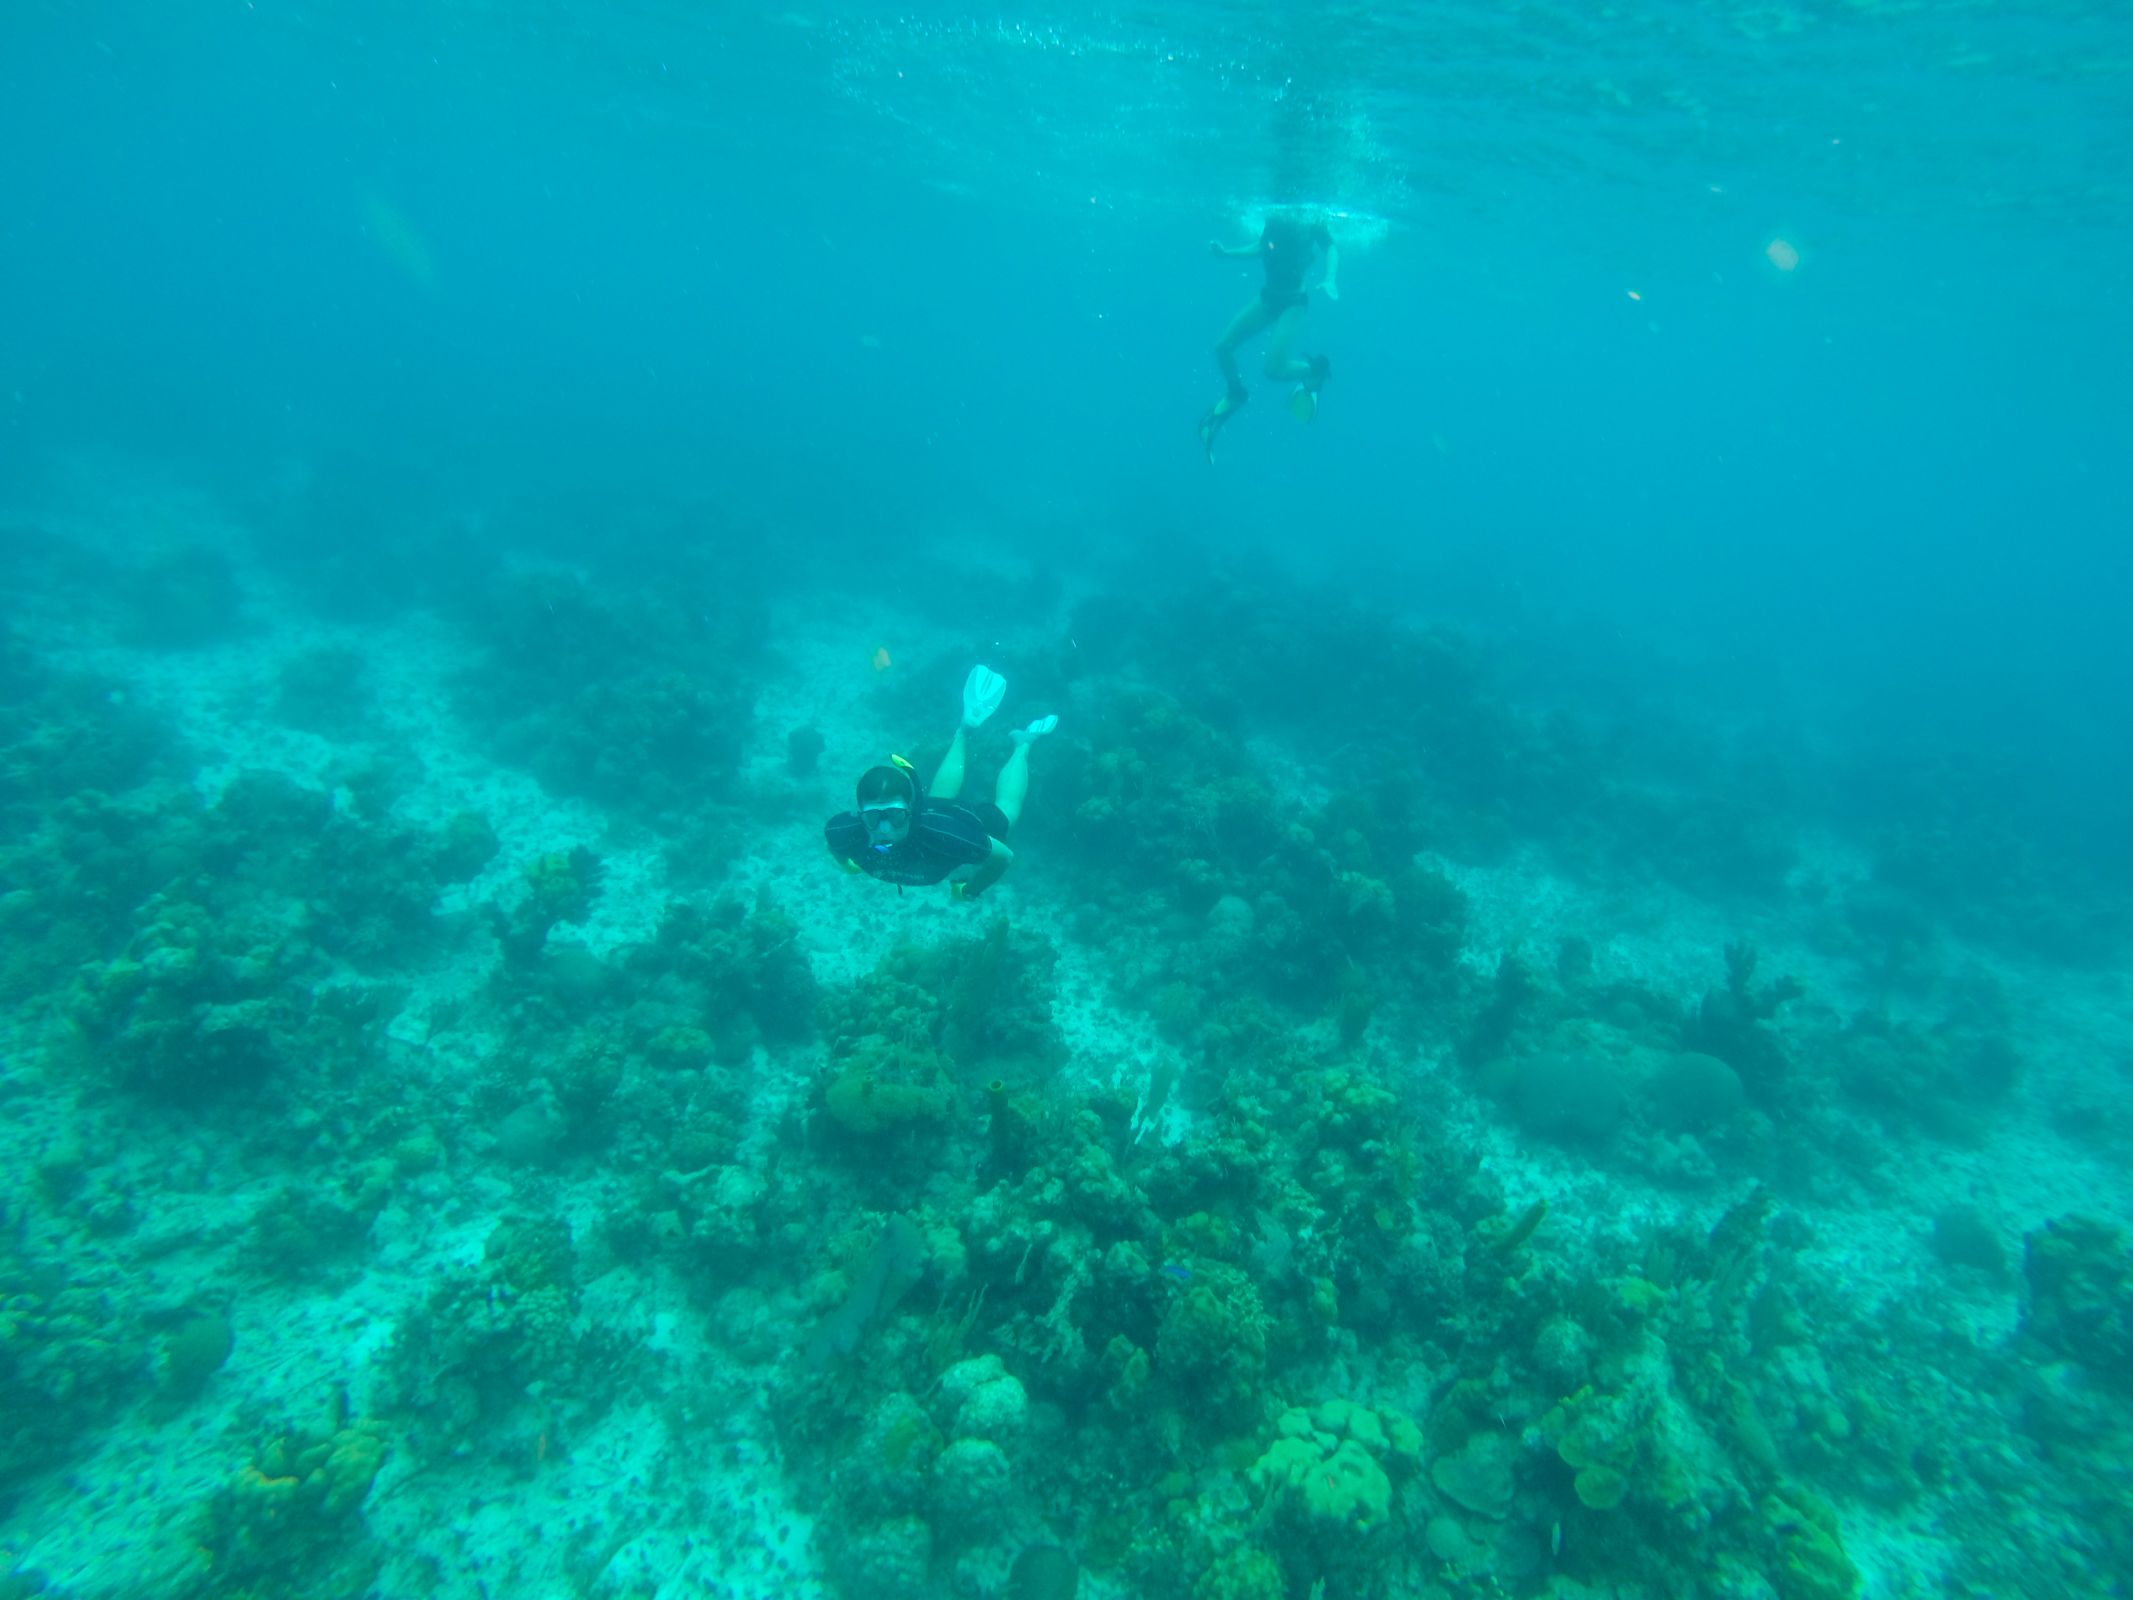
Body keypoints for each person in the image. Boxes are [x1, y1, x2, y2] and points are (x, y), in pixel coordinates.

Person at [825, 666, 1058, 900]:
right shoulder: (842, 832)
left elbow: (1004, 857)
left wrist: (972, 889)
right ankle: (964, 729)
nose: (885, 829)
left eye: (895, 816)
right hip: (931, 820)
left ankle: (1023, 743)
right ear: (859, 815)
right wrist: (848, 865)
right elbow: (836, 845)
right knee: (939, 799)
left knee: (1006, 814)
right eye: (873, 817)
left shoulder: (950, 836)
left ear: (910, 809)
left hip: (947, 826)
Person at [1198, 210, 1339, 461]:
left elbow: (1331, 248)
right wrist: (1226, 253)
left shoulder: (1312, 218)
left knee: (1274, 371)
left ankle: (1315, 368)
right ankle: (1236, 393)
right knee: (1223, 348)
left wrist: (1330, 279)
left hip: (1294, 301)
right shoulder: (1275, 215)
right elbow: (1262, 246)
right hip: (1268, 297)